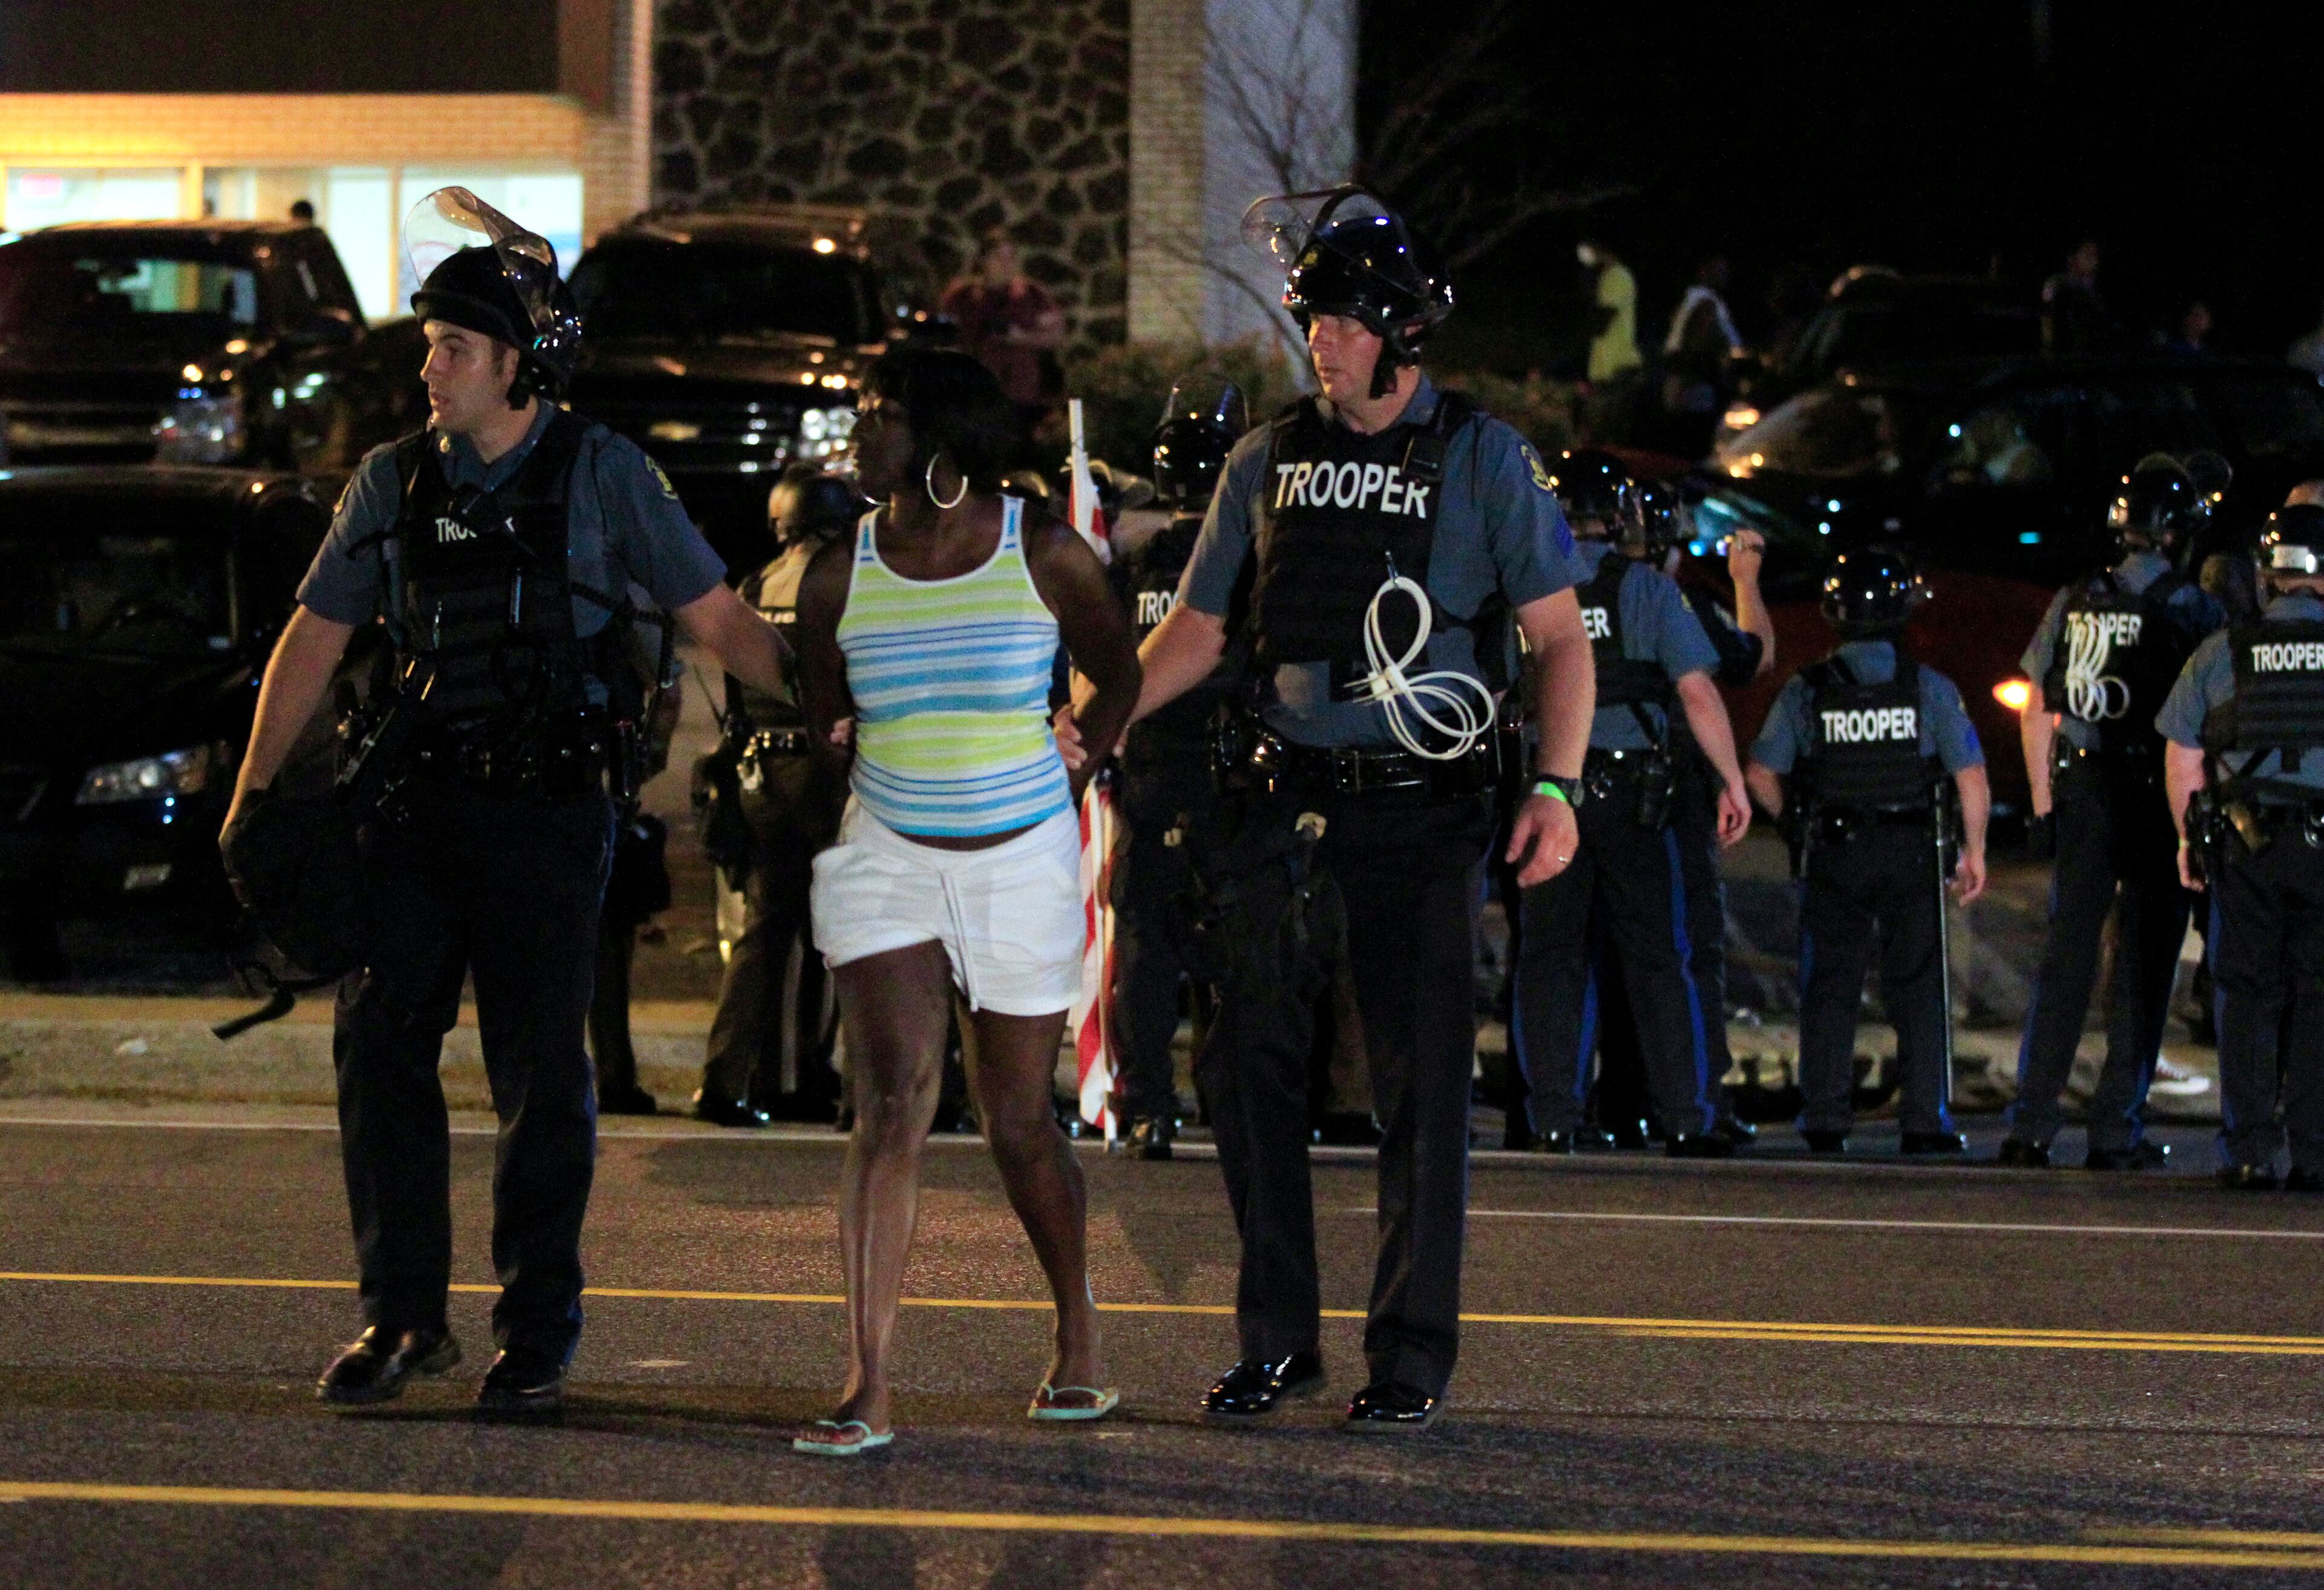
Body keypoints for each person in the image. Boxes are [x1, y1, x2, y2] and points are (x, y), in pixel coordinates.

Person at [220, 188, 795, 1416]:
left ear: (521, 364)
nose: (430, 366)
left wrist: (837, 699)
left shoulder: (604, 473)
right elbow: (312, 643)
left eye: (456, 347)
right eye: (431, 343)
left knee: (542, 1070)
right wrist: (255, 795)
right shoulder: (390, 480)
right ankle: (403, 1315)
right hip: (416, 810)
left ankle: (535, 1329)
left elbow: (717, 620)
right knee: (380, 1050)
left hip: (546, 813)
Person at [1113, 187, 1594, 1431]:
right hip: (1281, 801)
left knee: (1420, 1089)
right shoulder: (1266, 455)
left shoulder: (1483, 457)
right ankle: (1279, 1341)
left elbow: (1555, 635)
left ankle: (1408, 1357)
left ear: (1396, 328)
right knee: (1242, 1071)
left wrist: (1557, 784)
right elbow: (1204, 626)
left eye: (1339, 317)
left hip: (1422, 810)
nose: (1318, 337)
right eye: (1314, 316)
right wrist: (1098, 713)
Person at [789, 345, 1141, 1454]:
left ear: (938, 440)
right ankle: (867, 1380)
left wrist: (1081, 764)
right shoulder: (839, 571)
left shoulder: (1040, 550)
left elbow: (1118, 669)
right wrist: (839, 736)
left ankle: (1078, 1334)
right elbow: (821, 703)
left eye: (877, 411)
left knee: (1017, 1121)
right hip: (888, 851)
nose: (858, 427)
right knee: (889, 1102)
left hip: (1020, 856)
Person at [1509, 452, 1753, 1158]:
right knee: (1659, 958)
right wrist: (1730, 779)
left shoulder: (1527, 585)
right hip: (1638, 797)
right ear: (1621, 518)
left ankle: (1552, 1115)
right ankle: (1686, 1115)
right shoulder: (1643, 587)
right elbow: (1698, 691)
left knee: (1549, 958)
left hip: (1551, 789)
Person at [2002, 459, 2225, 1169]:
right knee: (2145, 961)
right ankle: (2115, 1128)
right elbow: (2208, 724)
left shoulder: (2075, 599)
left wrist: (2043, 805)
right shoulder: (2194, 610)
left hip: (2084, 791)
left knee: (2066, 958)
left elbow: (2039, 705)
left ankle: (2030, 1125)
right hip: (2154, 796)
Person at [1744, 547, 1989, 1155]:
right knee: (1919, 987)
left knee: (1829, 986)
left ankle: (1825, 1117)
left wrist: (1797, 826)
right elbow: (1972, 778)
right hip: (1910, 849)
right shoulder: (1926, 687)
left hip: (1835, 849)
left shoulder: (1807, 690)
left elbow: (1761, 773)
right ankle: (1925, 1119)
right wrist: (1974, 850)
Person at [1103, 378, 1249, 1159]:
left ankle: (1149, 1104)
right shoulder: (1247, 561)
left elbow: (1102, 665)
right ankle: (1228, 1102)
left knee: (1148, 951)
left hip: (1154, 774)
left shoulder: (1136, 565)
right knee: (1232, 950)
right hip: (1230, 780)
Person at [692, 467, 863, 1128]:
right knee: (849, 928)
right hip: (827, 770)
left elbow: (736, 690)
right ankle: (832, 1083)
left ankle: (729, 1080)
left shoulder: (755, 585)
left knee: (765, 932)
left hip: (763, 775)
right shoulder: (844, 581)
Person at [2162, 503, 2324, 1191]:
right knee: (2320, 996)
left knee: (2246, 994)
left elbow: (2182, 755)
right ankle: (2316, 1154)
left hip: (2245, 843)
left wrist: (2185, 838)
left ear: (2268, 575)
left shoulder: (2223, 651)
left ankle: (2250, 1149)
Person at [937, 229, 1066, 458]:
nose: (1006, 265)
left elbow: (1056, 336)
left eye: (1011, 258)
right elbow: (944, 335)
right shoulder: (964, 296)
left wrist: (1021, 338)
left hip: (1021, 396)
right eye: (999, 258)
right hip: (976, 395)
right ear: (984, 261)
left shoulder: (1031, 295)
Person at [1659, 255, 1742, 456]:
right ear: (1703, 271)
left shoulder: (1691, 299)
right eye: (1719, 271)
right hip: (1694, 386)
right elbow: (1699, 346)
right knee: (1695, 447)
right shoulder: (1707, 303)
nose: (1725, 276)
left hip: (1682, 382)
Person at [1577, 237, 1642, 445]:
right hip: (1608, 368)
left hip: (1616, 368)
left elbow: (1601, 321)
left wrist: (1587, 286)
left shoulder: (1616, 277)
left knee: (1602, 433)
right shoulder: (1611, 276)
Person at [2041, 238, 2118, 355]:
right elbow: (2048, 317)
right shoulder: (2058, 284)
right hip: (2069, 351)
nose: (2094, 259)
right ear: (2072, 259)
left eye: (2096, 254)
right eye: (2087, 254)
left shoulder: (2103, 289)